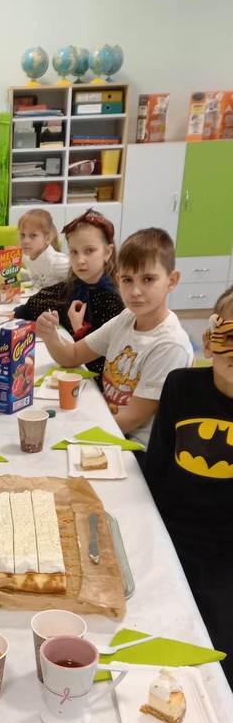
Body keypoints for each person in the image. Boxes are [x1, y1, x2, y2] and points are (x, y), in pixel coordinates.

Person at [145, 286, 233, 686]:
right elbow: (156, 467)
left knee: (214, 656)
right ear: (210, 341)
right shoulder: (181, 387)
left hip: (226, 551)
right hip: (171, 532)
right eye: (230, 336)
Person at [35, 227, 194, 447]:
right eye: (128, 280)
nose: (135, 291)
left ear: (172, 280)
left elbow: (132, 419)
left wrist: (73, 432)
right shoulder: (126, 318)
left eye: (148, 279)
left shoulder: (170, 344)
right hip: (109, 423)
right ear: (118, 280)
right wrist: (50, 335)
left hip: (136, 448)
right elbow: (72, 356)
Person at [15, 208, 123, 382]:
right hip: (72, 374)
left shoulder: (113, 300)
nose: (80, 260)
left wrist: (79, 330)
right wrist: (24, 316)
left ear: (107, 252)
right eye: (74, 252)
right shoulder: (75, 286)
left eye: (89, 251)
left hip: (98, 386)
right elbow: (38, 302)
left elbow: (102, 363)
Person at [17, 208, 70, 289]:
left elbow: (81, 274)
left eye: (33, 235)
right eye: (22, 235)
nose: (25, 241)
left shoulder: (55, 262)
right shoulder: (26, 256)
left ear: (47, 238)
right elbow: (36, 275)